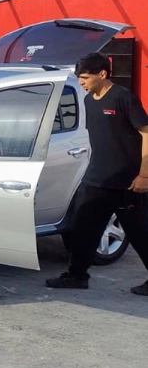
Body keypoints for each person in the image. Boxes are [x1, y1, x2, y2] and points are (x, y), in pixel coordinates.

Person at [46, 52, 148, 294]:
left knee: (141, 235)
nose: (81, 82)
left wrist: (144, 175)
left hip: (128, 182)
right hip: (96, 178)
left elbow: (146, 133)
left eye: (85, 77)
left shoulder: (123, 98)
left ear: (102, 74)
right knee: (82, 230)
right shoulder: (89, 100)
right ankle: (77, 276)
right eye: (79, 77)